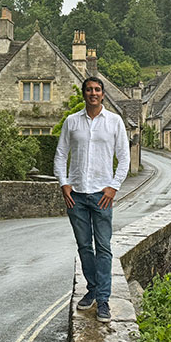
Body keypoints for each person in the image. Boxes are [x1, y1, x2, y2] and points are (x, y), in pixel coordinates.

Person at [53, 76, 130, 323]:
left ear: (103, 94)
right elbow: (61, 154)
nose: (93, 93)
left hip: (102, 195)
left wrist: (113, 187)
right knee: (84, 246)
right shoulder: (72, 122)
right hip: (76, 194)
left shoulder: (115, 122)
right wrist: (63, 183)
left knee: (104, 247)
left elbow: (124, 158)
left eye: (97, 90)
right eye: (89, 90)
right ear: (84, 94)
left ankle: (104, 300)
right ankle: (93, 289)